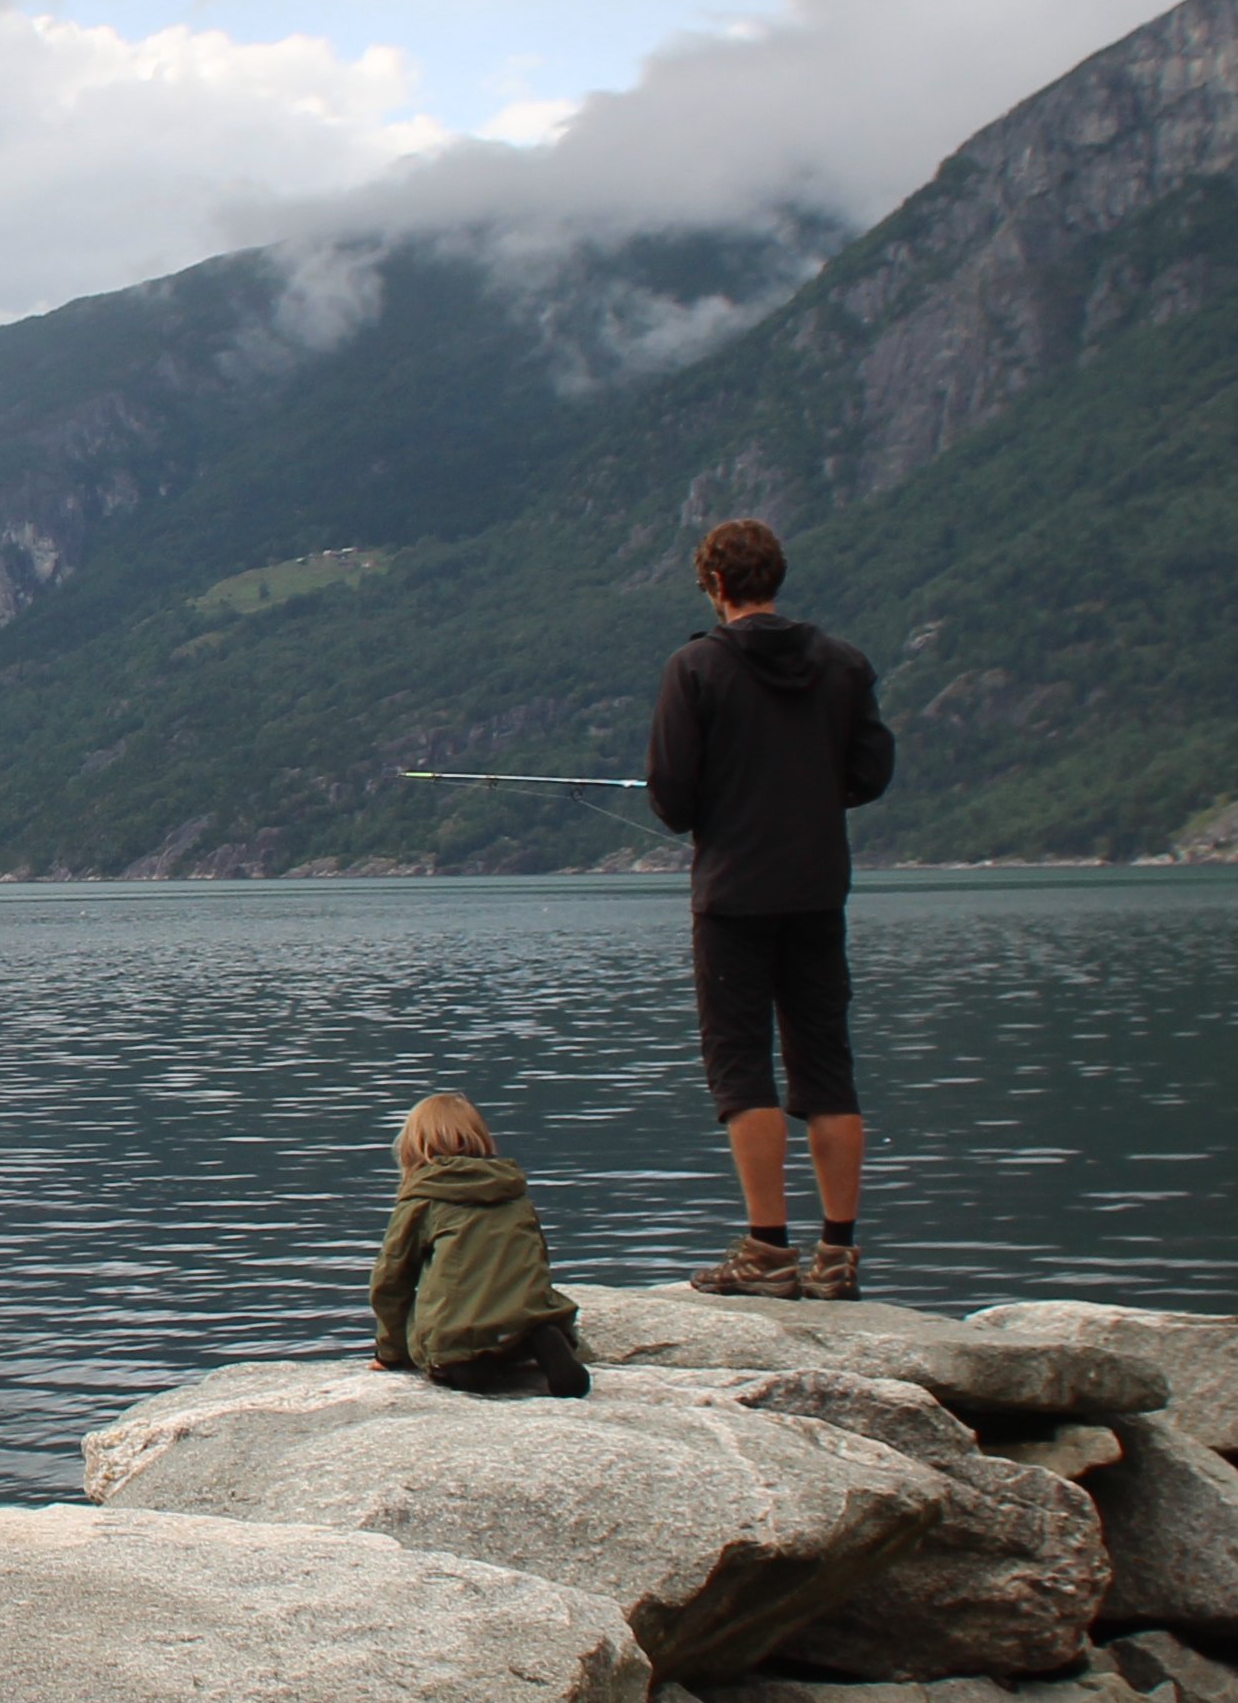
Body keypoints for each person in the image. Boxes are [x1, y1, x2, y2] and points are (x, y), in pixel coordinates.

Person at [644, 516, 894, 1301]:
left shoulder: (695, 669)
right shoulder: (845, 665)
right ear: (775, 578)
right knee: (827, 1064)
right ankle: (839, 1254)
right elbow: (872, 771)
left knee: (741, 1065)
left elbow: (672, 801)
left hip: (733, 896)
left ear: (714, 585)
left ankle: (767, 1249)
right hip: (820, 889)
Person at [374, 1091, 589, 1393]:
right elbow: (537, 1255)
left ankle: (468, 1365)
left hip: (461, 1330)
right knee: (528, 1320)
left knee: (452, 1352)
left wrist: (391, 1352)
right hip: (522, 1320)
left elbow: (390, 1281)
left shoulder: (422, 1199)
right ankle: (545, 1337)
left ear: (414, 1145)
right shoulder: (512, 1189)